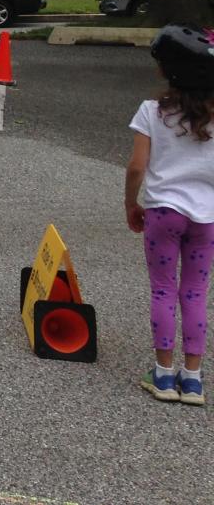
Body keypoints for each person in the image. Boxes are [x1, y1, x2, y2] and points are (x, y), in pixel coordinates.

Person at [124, 24, 214, 407]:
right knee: (194, 293)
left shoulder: (151, 112)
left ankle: (163, 375)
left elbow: (135, 167)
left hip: (163, 213)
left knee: (163, 289)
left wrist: (131, 203)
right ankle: (192, 379)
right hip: (206, 217)